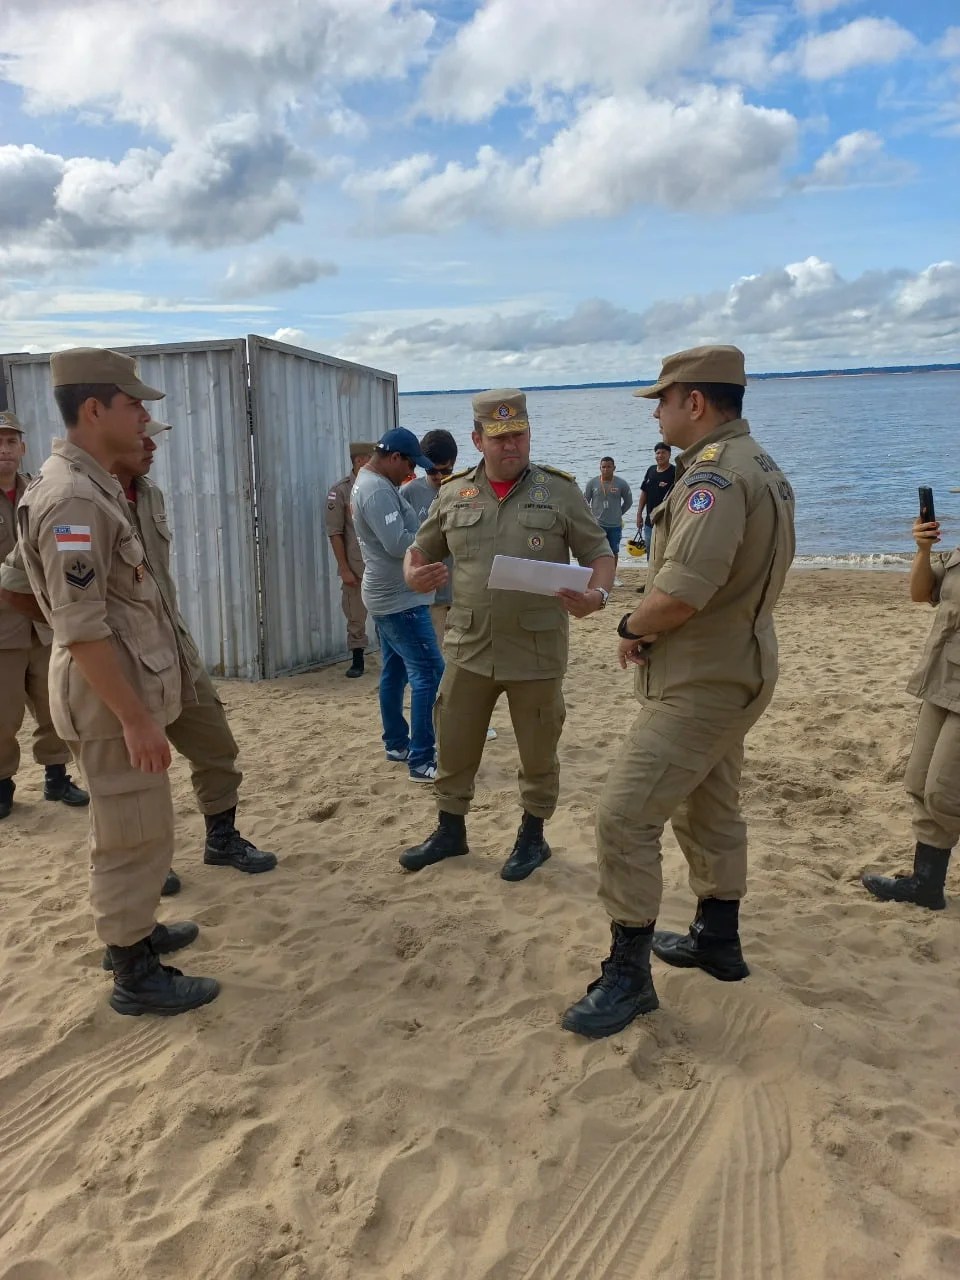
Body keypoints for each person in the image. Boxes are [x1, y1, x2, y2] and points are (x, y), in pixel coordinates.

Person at [561, 346, 795, 1038]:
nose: (657, 413)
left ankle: (629, 976)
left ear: (695, 402)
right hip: (739, 665)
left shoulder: (713, 482)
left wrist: (630, 624)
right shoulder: (761, 466)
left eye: (663, 400)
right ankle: (718, 940)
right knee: (710, 801)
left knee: (624, 816)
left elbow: (685, 595)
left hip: (704, 680)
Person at [15, 347, 218, 1017]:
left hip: (118, 692)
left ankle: (140, 932)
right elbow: (81, 626)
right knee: (130, 831)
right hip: (109, 701)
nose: (143, 419)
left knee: (140, 820)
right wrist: (134, 717)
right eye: (135, 406)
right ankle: (134, 972)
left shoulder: (91, 483)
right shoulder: (73, 496)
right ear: (95, 409)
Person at [400, 388, 615, 881]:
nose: (511, 445)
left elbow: (599, 555)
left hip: (535, 650)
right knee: (453, 744)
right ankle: (450, 831)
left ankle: (532, 838)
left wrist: (597, 598)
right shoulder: (453, 492)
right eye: (499, 437)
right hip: (469, 648)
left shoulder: (559, 491)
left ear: (530, 434)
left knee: (538, 750)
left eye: (519, 433)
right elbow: (420, 550)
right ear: (478, 439)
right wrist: (414, 575)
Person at [116, 420, 278, 895]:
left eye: (154, 436)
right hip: (124, 664)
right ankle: (145, 861)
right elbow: (25, 584)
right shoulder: (80, 501)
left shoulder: (149, 495)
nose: (151, 445)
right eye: (141, 435)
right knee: (133, 773)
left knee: (216, 746)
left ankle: (221, 839)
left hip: (175, 650)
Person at [861, 511, 959, 911]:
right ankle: (925, 884)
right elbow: (921, 593)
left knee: (944, 793)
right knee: (919, 782)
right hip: (942, 677)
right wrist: (922, 550)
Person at [0, 410, 89, 819]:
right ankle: (2, 786)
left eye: (9, 442)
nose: (3, 450)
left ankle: (57, 778)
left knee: (54, 705)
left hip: (42, 620)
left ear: (21, 448)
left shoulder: (39, 490)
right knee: (3, 714)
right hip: (2, 627)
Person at [351, 428, 445, 783]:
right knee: (429, 672)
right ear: (393, 458)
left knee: (395, 670)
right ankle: (421, 759)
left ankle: (396, 742)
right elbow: (397, 545)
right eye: (409, 464)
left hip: (387, 593)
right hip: (398, 597)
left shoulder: (373, 482)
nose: (411, 474)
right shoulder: (376, 490)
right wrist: (435, 539)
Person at [325, 441, 375, 678]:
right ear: (359, 461)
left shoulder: (379, 485)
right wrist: (344, 568)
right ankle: (357, 660)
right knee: (355, 615)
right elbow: (335, 533)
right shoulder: (341, 491)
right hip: (355, 565)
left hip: (379, 563)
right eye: (371, 458)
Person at [584, 457, 633, 571]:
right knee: (596, 551)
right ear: (600, 468)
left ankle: (612, 575)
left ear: (614, 468)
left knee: (613, 551)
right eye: (603, 467)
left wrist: (619, 513)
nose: (606, 469)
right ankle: (596, 573)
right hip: (597, 525)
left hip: (615, 525)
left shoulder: (621, 483)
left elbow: (629, 502)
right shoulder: (592, 483)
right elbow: (585, 502)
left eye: (609, 467)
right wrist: (590, 517)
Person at [636, 443, 676, 559]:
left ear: (669, 454)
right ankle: (652, 574)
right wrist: (639, 514)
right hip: (650, 520)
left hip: (666, 520)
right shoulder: (651, 470)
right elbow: (644, 492)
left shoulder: (675, 472)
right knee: (650, 550)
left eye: (663, 452)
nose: (660, 455)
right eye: (658, 453)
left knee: (665, 551)